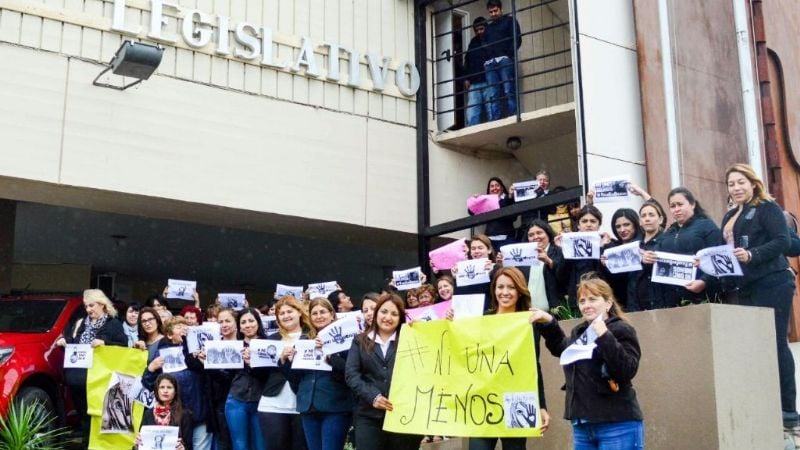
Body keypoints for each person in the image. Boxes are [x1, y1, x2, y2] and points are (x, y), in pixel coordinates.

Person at [720, 163, 799, 432]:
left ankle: (788, 409)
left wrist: (752, 254)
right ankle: (763, 402)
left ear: (753, 183)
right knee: (754, 347)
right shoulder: (730, 214)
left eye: (741, 182)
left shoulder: (767, 207)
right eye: (731, 184)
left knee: (775, 343)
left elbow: (782, 242)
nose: (736, 187)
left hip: (773, 281)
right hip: (744, 286)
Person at [531, 276, 644, 449]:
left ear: (608, 303)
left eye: (593, 299)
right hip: (583, 425)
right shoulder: (580, 331)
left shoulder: (621, 329)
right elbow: (562, 349)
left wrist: (605, 336)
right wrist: (548, 322)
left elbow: (626, 369)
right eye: (582, 301)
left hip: (616, 424)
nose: (586, 305)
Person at [467, 267, 549, 450]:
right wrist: (450, 322)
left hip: (518, 401)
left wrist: (541, 405)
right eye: (500, 287)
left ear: (519, 292)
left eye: (511, 287)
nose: (505, 292)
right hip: (484, 399)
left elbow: (533, 366)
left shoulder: (528, 323)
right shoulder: (482, 320)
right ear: (494, 290)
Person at [345, 293, 422, 450]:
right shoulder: (360, 341)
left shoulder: (411, 338)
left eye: (394, 314)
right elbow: (352, 375)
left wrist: (424, 331)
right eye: (384, 311)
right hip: (368, 415)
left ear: (401, 317)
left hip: (404, 415)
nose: (388, 317)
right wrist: (373, 396)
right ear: (377, 313)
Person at [56, 289, 127, 437]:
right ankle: (87, 441)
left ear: (102, 304)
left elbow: (123, 348)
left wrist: (105, 343)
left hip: (99, 379)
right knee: (83, 415)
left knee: (98, 415)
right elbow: (75, 347)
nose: (88, 309)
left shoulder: (113, 324)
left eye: (92, 305)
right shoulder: (81, 324)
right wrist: (65, 343)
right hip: (77, 379)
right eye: (86, 306)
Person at [642, 187, 722, 307]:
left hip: (703, 296)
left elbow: (719, 257)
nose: (676, 209)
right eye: (672, 206)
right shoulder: (669, 232)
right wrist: (647, 257)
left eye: (680, 204)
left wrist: (704, 281)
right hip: (672, 299)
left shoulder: (707, 226)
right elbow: (656, 253)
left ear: (692, 204)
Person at [142, 316, 213, 450]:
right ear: (169, 335)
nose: (184, 330)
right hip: (175, 419)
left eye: (186, 327)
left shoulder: (198, 350)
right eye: (179, 327)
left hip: (199, 413)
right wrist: (150, 369)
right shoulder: (161, 354)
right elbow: (150, 385)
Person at [291, 298, 353, 450]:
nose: (319, 316)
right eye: (314, 313)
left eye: (323, 312)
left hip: (335, 406)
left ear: (332, 314)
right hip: (308, 406)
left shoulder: (346, 338)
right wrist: (286, 361)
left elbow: (351, 372)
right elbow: (294, 379)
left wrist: (330, 354)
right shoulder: (304, 340)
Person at [259, 297, 311, 450]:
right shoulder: (270, 340)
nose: (286, 316)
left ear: (299, 313)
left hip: (300, 404)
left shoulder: (311, 337)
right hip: (271, 405)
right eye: (281, 313)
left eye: (290, 311)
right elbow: (262, 374)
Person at [219, 307, 268, 450]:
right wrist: (206, 364)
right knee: (240, 445)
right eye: (243, 322)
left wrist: (252, 364)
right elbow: (226, 377)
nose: (248, 325)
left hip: (261, 401)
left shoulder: (268, 344)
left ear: (258, 322)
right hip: (236, 400)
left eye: (251, 321)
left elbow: (268, 375)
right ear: (239, 326)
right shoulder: (234, 346)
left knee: (261, 445)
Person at [499, 220, 564, 311]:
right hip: (528, 312)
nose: (536, 237)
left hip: (555, 311)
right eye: (531, 235)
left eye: (539, 233)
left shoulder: (559, 251)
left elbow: (565, 276)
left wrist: (549, 261)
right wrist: (502, 265)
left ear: (548, 234)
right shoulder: (523, 256)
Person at [556, 205, 611, 309]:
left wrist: (601, 248)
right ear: (578, 225)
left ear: (599, 225)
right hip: (577, 300)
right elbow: (561, 276)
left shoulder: (608, 244)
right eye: (584, 221)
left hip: (602, 299)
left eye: (593, 221)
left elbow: (611, 276)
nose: (589, 224)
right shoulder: (569, 245)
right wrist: (564, 250)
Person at [199, 308, 237, 450]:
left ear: (236, 322)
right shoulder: (211, 345)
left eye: (228, 321)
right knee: (223, 442)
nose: (224, 325)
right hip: (218, 402)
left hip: (239, 399)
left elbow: (229, 378)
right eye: (220, 322)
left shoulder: (243, 344)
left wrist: (209, 366)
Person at [483, 0, 522, 120]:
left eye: (495, 11)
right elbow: (484, 44)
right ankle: (495, 119)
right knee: (493, 93)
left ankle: (513, 115)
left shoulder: (510, 21)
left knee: (508, 88)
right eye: (491, 12)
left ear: (501, 9)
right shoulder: (488, 28)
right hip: (490, 62)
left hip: (504, 59)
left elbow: (517, 39)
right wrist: (486, 59)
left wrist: (508, 54)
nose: (493, 14)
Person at [602, 209, 644, 311]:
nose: (622, 229)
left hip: (643, 300)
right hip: (623, 304)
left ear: (635, 224)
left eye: (626, 224)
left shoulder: (644, 243)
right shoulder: (612, 248)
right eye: (618, 226)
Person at [137, 373, 191, 450]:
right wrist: (137, 445)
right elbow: (141, 443)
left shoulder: (184, 414)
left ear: (175, 391)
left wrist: (183, 448)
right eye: (162, 387)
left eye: (169, 387)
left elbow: (189, 445)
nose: (165, 391)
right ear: (157, 390)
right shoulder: (148, 414)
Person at [635, 200, 667, 310]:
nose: (647, 219)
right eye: (643, 216)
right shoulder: (635, 245)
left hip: (661, 301)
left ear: (660, 219)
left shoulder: (667, 241)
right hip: (637, 303)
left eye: (651, 215)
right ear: (640, 221)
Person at [453, 234, 498, 311]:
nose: (476, 251)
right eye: (473, 249)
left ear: (489, 250)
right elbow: (459, 297)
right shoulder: (463, 269)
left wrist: (492, 274)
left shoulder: (497, 268)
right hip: (468, 314)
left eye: (480, 248)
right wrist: (455, 278)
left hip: (489, 314)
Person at [473, 177, 516, 250]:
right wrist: (476, 201)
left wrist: (509, 197)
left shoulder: (509, 198)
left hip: (506, 238)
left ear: (502, 188)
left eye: (497, 185)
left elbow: (514, 217)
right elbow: (472, 212)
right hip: (489, 239)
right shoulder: (486, 202)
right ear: (489, 190)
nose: (494, 188)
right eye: (492, 186)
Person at [464, 17, 491, 126]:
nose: (479, 32)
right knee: (472, 111)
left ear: (486, 28)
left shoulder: (491, 39)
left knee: (491, 107)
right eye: (477, 30)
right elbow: (467, 60)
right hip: (474, 82)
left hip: (488, 79)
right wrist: (466, 78)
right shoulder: (473, 42)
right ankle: (471, 129)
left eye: (481, 29)